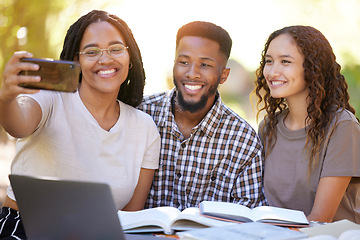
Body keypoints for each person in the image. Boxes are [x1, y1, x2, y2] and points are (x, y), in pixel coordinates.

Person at [0, 10, 160, 239]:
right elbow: (18, 124)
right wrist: (6, 98)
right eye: (92, 51)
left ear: (129, 57)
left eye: (116, 49)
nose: (105, 59)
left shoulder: (145, 128)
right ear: (77, 60)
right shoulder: (50, 99)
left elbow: (130, 218)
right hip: (26, 229)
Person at [138, 21, 266, 211]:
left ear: (224, 75)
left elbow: (246, 218)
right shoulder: (141, 114)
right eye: (184, 62)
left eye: (205, 65)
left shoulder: (243, 140)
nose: (192, 73)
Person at [254, 25, 360, 223]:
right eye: (269, 61)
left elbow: (320, 219)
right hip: (275, 234)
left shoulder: (342, 126)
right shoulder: (268, 127)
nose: (272, 71)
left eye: (285, 61)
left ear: (313, 67)